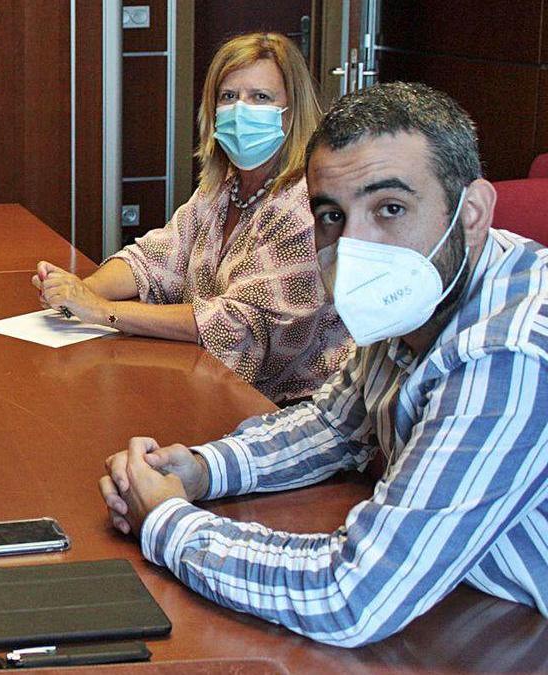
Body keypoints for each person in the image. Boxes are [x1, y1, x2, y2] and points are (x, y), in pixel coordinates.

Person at [98, 82, 548, 647]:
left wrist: (166, 522)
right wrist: (200, 469)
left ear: (473, 212)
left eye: (390, 208)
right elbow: (334, 423)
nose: (357, 248)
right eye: (332, 214)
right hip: (468, 604)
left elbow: (351, 595)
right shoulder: (426, 292)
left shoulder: (511, 353)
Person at [35, 33, 350, 404]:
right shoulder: (223, 188)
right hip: (210, 383)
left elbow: (238, 325)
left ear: (292, 111)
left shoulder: (306, 205)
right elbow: (154, 259)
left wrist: (103, 311)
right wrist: (79, 291)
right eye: (228, 97)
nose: (240, 110)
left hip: (291, 408)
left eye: (260, 97)